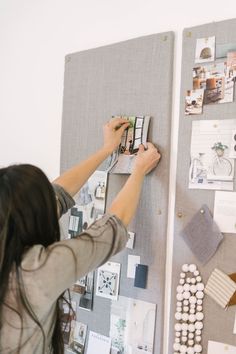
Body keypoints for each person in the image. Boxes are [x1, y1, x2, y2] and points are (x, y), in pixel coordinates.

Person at [0, 117, 161, 353]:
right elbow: (109, 232)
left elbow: (56, 195)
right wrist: (138, 170)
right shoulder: (36, 270)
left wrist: (107, 150)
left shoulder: (8, 231)